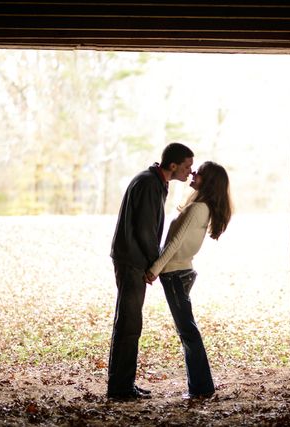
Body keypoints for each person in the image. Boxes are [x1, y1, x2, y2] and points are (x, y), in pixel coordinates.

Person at [107, 142, 194, 400]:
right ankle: (120, 388)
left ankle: (123, 384)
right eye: (187, 166)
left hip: (133, 259)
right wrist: (155, 264)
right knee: (129, 324)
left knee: (129, 322)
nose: (190, 171)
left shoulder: (155, 182)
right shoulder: (148, 183)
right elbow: (145, 230)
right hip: (132, 261)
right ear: (173, 165)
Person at [145, 161, 232, 399]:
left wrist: (154, 269)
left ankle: (201, 388)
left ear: (209, 181)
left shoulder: (197, 209)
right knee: (188, 331)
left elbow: (174, 244)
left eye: (199, 173)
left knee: (188, 332)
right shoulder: (200, 207)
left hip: (175, 273)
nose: (193, 173)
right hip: (181, 271)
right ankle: (201, 387)